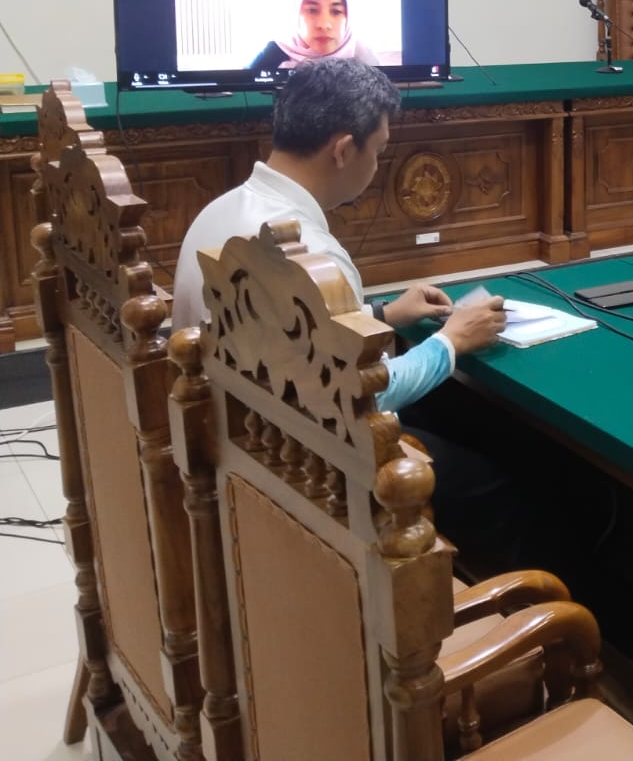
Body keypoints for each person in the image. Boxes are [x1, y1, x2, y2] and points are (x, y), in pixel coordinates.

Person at [171, 59, 535, 574]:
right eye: (379, 151)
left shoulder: (220, 211)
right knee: (492, 482)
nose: (378, 165)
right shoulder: (308, 255)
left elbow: (282, 335)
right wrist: (452, 340)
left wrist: (382, 313)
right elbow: (364, 395)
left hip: (239, 436)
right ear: (344, 150)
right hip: (306, 462)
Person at [248, 0, 380, 70]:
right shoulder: (278, 51)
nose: (324, 25)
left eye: (336, 11)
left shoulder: (362, 54)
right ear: (296, 14)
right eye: (312, 10)